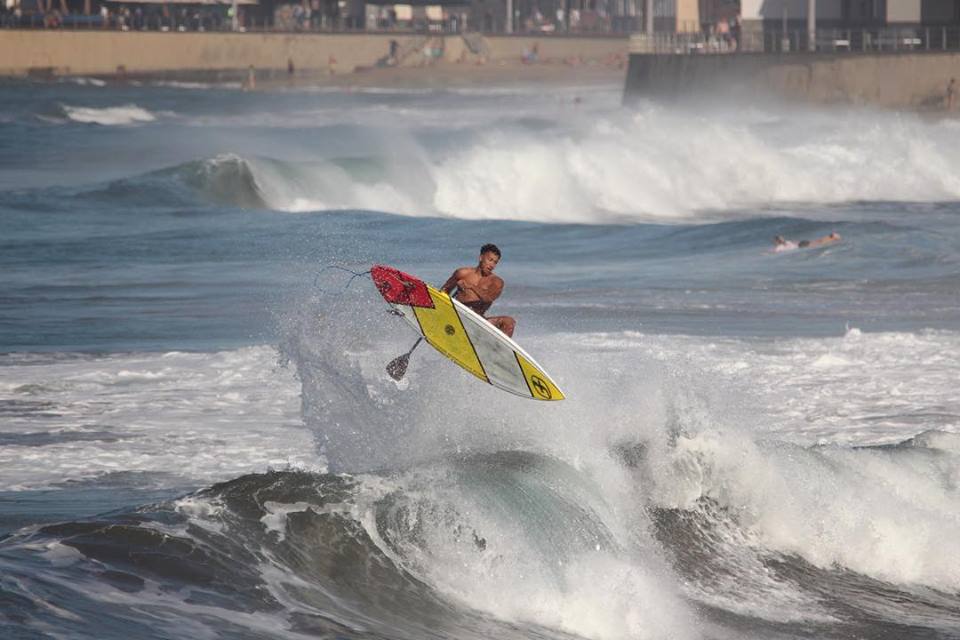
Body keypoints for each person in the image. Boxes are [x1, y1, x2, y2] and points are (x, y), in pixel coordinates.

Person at [441, 244, 516, 337]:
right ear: (481, 258)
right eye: (490, 260)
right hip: (457, 314)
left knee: (509, 322)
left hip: (478, 321)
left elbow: (488, 298)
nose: (492, 265)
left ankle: (495, 346)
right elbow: (444, 291)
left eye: (495, 262)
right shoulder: (462, 273)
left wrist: (471, 287)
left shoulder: (496, 282)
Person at [773, 232, 841, 251]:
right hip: (801, 243)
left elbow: (774, 252)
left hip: (801, 246)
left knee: (819, 243)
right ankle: (831, 236)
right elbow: (795, 243)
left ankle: (833, 237)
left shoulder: (779, 247)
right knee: (818, 241)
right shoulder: (787, 241)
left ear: (777, 241)